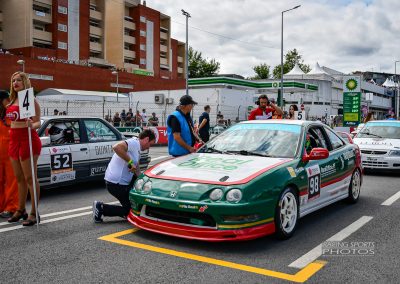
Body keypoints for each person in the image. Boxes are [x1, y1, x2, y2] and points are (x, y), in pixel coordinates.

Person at [93, 129, 156, 222]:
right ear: (146, 139)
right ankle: (101, 208)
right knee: (129, 210)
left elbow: (136, 167)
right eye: (150, 144)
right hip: (116, 184)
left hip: (122, 181)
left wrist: (143, 179)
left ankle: (144, 206)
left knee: (140, 184)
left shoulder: (137, 148)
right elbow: (116, 147)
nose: (149, 147)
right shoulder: (134, 143)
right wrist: (130, 162)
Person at [6, 72, 42, 226]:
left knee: (30, 178)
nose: (15, 82)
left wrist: (31, 125)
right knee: (19, 178)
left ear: (25, 82)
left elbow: (38, 122)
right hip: (14, 141)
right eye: (13, 80)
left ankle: (34, 213)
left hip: (28, 140)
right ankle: (20, 210)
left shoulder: (30, 100)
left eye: (19, 80)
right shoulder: (12, 99)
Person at [0, 90, 19, 218]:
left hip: (11, 152)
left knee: (12, 181)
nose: (8, 102)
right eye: (6, 100)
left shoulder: (11, 114)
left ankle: (11, 207)